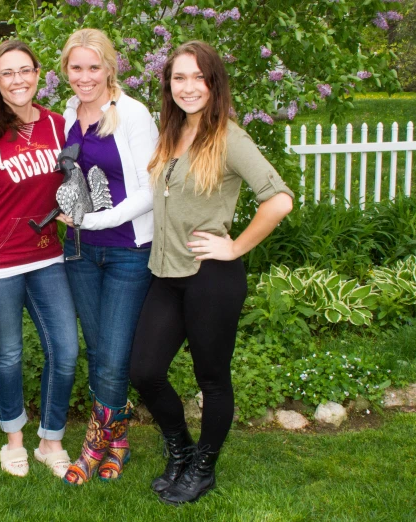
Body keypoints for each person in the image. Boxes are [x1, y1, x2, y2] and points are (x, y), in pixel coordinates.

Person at [129, 41, 294, 505]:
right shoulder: (172, 131)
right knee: (144, 371)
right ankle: (180, 448)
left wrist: (236, 246)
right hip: (165, 274)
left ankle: (203, 466)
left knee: (213, 379)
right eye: (178, 78)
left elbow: (279, 199)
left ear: (214, 82)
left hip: (209, 277)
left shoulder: (229, 137)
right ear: (169, 85)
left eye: (198, 77)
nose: (188, 87)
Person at [0, 40, 78, 479]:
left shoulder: (57, 125)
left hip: (47, 256)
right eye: (6, 73)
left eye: (24, 70)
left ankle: (50, 440)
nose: (17, 80)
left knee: (65, 349)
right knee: (7, 354)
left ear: (37, 73)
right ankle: (13, 440)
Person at [56, 28, 159, 485]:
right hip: (79, 251)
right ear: (66, 71)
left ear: (110, 68)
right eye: (76, 68)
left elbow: (151, 190)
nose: (84, 77)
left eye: (93, 67)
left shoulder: (132, 114)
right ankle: (119, 441)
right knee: (98, 350)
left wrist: (95, 221)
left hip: (126, 252)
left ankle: (93, 444)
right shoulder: (68, 114)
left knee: (115, 357)